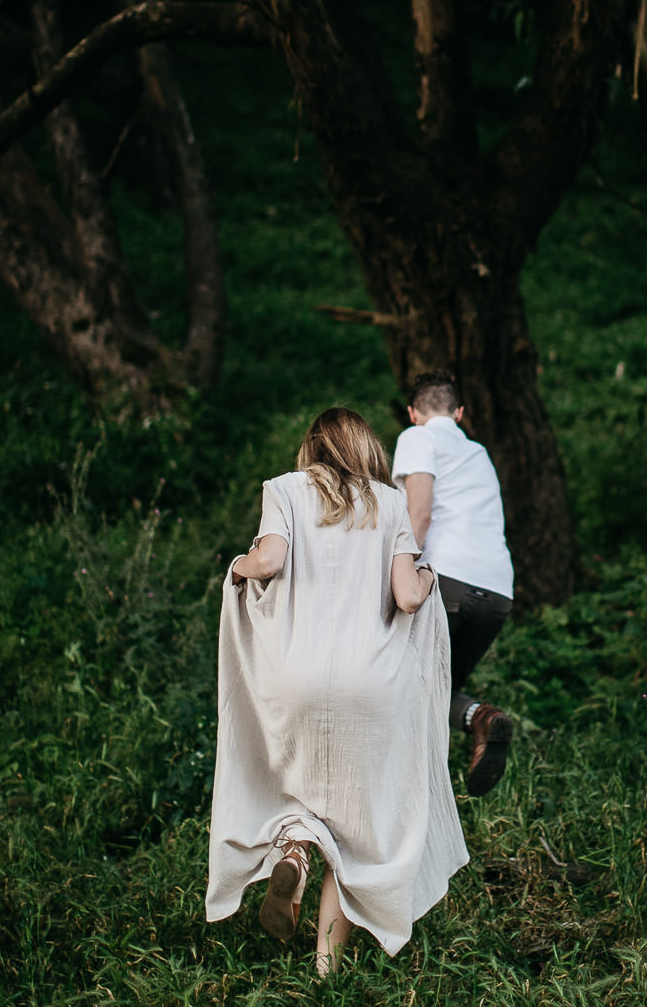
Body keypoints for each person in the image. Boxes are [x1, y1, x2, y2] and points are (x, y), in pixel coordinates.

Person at [205, 407, 468, 976]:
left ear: (312, 447)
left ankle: (294, 856)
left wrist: (238, 566)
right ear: (366, 447)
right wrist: (428, 576)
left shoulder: (283, 490)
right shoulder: (390, 503)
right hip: (370, 685)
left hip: (290, 678)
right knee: (355, 830)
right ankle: (326, 973)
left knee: (295, 790)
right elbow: (408, 597)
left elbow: (269, 560)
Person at [392, 370, 515, 797]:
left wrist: (399, 574)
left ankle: (411, 795)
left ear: (413, 412)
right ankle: (481, 720)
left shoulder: (416, 437)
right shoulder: (478, 452)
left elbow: (419, 513)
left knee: (402, 682)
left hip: (447, 582)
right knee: (433, 689)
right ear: (459, 413)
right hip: (497, 592)